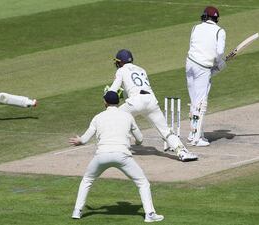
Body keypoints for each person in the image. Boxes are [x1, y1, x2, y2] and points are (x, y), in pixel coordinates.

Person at [69, 91, 164, 223]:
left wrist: (79, 141)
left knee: (87, 180)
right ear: (119, 102)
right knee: (142, 183)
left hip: (101, 156)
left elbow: (84, 139)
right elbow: (140, 139)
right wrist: (136, 143)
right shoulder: (127, 116)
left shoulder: (98, 117)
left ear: (105, 102)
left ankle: (77, 211)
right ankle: (150, 214)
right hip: (122, 156)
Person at [108, 49, 198, 162]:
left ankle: (120, 148)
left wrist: (108, 98)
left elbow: (113, 90)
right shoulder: (142, 69)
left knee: (114, 116)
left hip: (135, 101)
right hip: (151, 101)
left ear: (120, 62)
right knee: (165, 130)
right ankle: (182, 152)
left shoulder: (121, 71)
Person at [186, 6, 226, 146]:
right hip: (203, 68)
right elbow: (219, 52)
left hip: (190, 64)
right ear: (216, 18)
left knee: (194, 100)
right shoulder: (220, 31)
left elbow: (195, 45)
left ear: (204, 16)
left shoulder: (195, 28)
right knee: (201, 103)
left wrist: (214, 65)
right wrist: (219, 63)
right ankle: (197, 138)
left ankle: (193, 133)